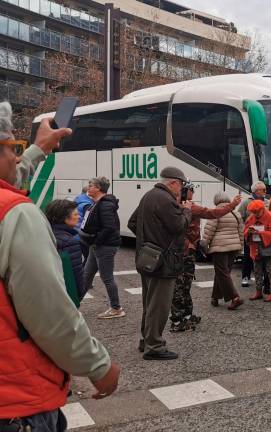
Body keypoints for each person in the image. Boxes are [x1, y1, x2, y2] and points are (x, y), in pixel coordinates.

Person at [0, 102, 120, 430]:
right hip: (15, 402)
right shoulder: (16, 214)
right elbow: (49, 312)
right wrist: (98, 365)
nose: (16, 157)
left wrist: (38, 149)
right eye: (13, 147)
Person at [128, 166, 193, 361]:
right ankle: (154, 346)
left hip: (148, 258)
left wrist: (149, 243)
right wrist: (187, 211)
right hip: (164, 261)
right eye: (180, 185)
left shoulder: (149, 196)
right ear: (173, 182)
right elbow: (179, 225)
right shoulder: (166, 200)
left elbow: (132, 222)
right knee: (160, 305)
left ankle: (146, 340)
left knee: (149, 303)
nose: (180, 189)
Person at [170, 187, 241, 332]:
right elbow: (213, 215)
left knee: (188, 283)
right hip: (188, 250)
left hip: (207, 249)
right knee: (182, 285)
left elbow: (209, 227)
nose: (194, 192)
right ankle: (179, 319)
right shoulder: (182, 207)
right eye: (191, 189)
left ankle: (187, 315)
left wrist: (204, 246)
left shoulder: (186, 206)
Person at [80, 176, 124, 319]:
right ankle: (73, 305)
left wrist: (96, 241)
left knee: (107, 277)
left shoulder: (105, 205)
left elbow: (109, 227)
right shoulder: (98, 202)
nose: (88, 187)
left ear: (98, 188)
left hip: (104, 246)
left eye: (91, 185)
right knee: (86, 275)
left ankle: (116, 308)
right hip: (97, 245)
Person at [203, 192, 245, 310]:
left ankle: (234, 298)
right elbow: (241, 232)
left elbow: (209, 232)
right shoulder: (236, 214)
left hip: (219, 247)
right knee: (223, 273)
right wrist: (240, 247)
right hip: (234, 247)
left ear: (216, 201)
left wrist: (205, 246)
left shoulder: (216, 213)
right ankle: (215, 297)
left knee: (222, 273)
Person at [45, 199, 86, 303]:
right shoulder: (70, 241)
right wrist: (79, 294)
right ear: (65, 218)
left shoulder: (44, 234)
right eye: (76, 214)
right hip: (64, 294)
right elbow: (75, 273)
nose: (79, 217)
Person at [244, 200, 271, 302]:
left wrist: (260, 233)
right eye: (253, 212)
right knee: (257, 270)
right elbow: (245, 230)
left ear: (262, 209)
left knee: (270, 269)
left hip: (268, 247)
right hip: (255, 247)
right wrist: (249, 231)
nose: (255, 214)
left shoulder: (270, 216)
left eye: (256, 212)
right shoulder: (251, 217)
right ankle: (258, 291)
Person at [238, 181, 268, 287]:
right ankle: (245, 277)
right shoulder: (246, 202)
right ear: (256, 191)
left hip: (263, 234)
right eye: (263, 190)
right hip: (251, 233)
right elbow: (240, 217)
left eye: (265, 190)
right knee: (248, 255)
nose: (265, 192)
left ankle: (264, 277)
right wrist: (244, 230)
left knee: (264, 255)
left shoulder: (267, 202)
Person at [74, 186, 94, 260]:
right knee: (88, 259)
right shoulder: (87, 205)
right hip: (83, 236)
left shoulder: (78, 200)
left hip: (76, 234)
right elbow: (89, 222)